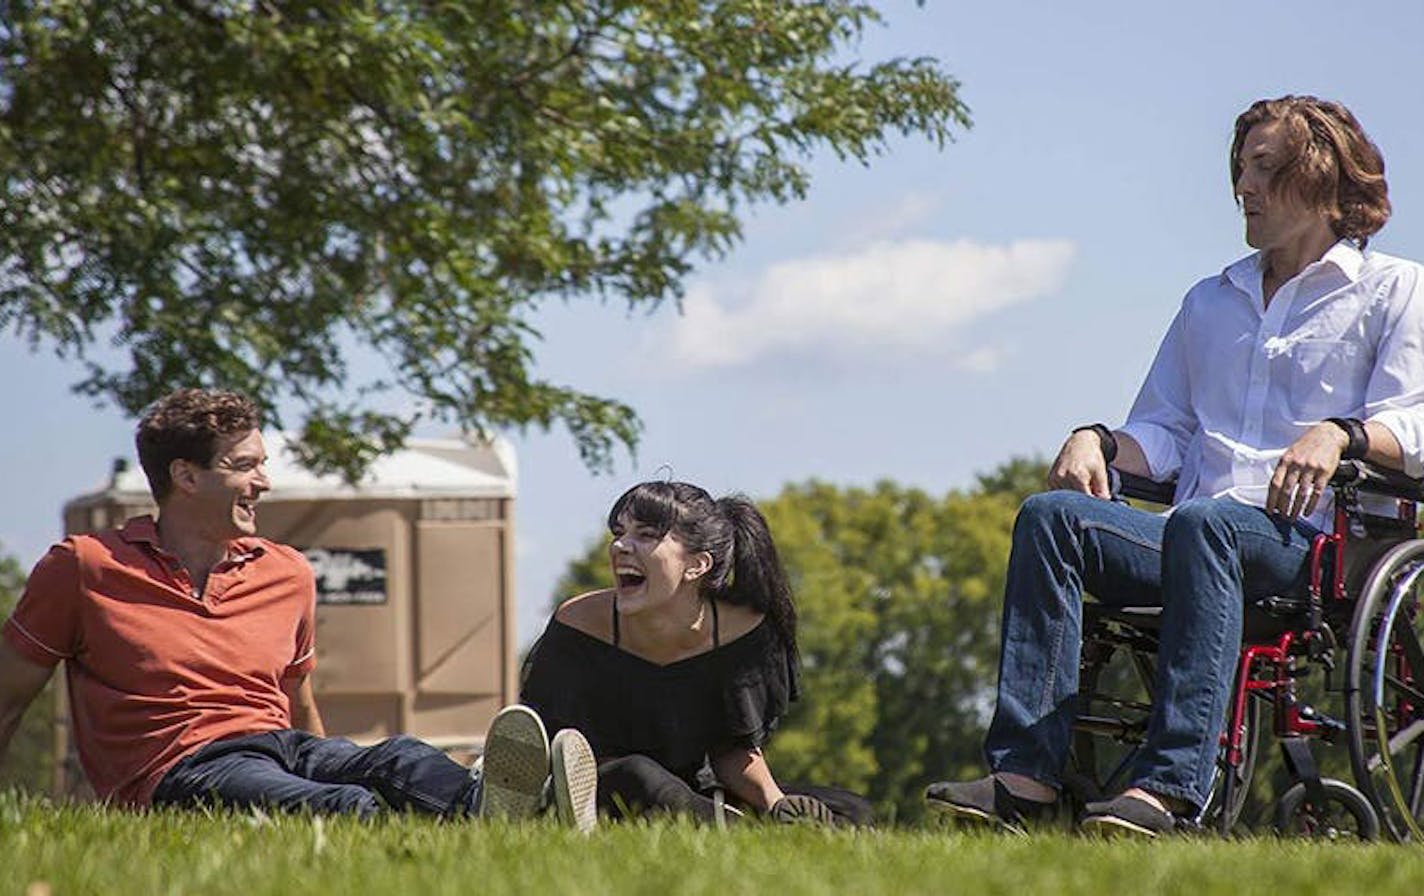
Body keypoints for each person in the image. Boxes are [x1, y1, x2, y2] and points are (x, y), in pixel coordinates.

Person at [926, 95, 1424, 837]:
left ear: (1321, 178)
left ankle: (1169, 791)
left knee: (1207, 523)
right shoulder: (1210, 303)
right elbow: (1162, 433)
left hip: (1314, 546)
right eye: (1241, 168)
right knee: (1052, 517)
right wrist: (1095, 438)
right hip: (1200, 533)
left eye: (1265, 168)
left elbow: (1414, 424)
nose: (1243, 187)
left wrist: (1341, 435)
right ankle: (1024, 777)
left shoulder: (1395, 290)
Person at [0, 388, 597, 829]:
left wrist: (323, 759)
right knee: (348, 808)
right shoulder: (85, 567)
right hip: (177, 770)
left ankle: (512, 814)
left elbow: (299, 703)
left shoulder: (284, 571)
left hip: (279, 745)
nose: (264, 481)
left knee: (399, 758)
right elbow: (9, 698)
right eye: (245, 466)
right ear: (185, 475)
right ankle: (492, 822)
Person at [521, 480, 871, 826]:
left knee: (849, 809)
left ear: (697, 565)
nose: (620, 547)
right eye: (619, 533)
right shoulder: (578, 623)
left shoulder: (745, 633)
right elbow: (555, 746)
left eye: (644, 535)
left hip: (693, 790)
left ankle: (760, 827)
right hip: (598, 786)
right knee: (640, 777)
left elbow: (732, 752)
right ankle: (749, 835)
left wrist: (777, 804)